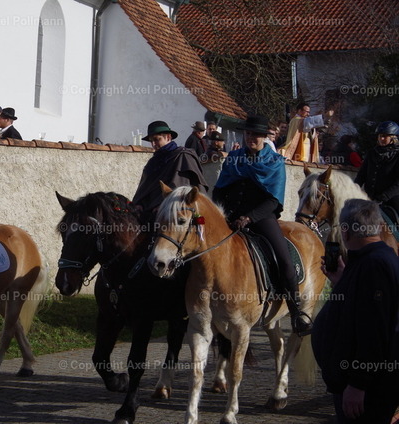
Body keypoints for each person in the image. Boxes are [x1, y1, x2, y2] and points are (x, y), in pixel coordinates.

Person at [212, 115, 312, 336]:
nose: (251, 138)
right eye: (248, 133)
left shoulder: (274, 162)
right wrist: (223, 214)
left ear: (264, 137)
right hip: (230, 217)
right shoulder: (234, 158)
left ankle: (296, 312)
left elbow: (273, 201)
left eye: (256, 134)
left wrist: (248, 218)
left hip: (261, 218)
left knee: (283, 257)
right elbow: (219, 190)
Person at [313, 199, 399, 423]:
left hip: (366, 391)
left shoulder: (374, 265)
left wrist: (358, 384)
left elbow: (374, 331)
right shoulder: (370, 261)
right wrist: (342, 281)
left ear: (346, 231)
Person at [132, 120, 208, 224]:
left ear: (168, 137)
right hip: (149, 212)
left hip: (178, 213)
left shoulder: (183, 156)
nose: (153, 144)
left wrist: (164, 205)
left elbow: (181, 187)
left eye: (157, 139)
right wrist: (139, 203)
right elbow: (144, 188)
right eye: (151, 141)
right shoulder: (152, 163)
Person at [354, 121, 399, 213]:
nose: (381, 138)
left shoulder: (397, 155)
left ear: (393, 138)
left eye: (385, 136)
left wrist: (383, 197)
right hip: (370, 199)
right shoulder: (372, 153)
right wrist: (353, 188)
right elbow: (361, 175)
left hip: (392, 200)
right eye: (380, 136)